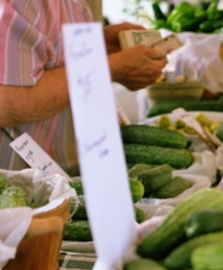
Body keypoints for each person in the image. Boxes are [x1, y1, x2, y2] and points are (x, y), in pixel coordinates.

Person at [0, 0, 168, 176]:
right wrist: (110, 68)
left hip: (62, 179)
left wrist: (101, 47)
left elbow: (48, 56)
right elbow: (7, 101)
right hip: (18, 189)